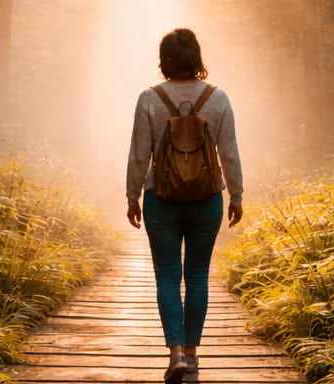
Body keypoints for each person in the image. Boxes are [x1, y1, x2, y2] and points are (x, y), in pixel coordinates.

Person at [125, 28, 243, 384]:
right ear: (196, 55)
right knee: (196, 276)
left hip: (161, 199)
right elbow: (230, 153)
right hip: (207, 199)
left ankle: (174, 351)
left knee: (166, 275)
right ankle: (192, 356)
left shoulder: (149, 98)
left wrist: (133, 196)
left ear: (166, 58)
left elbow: (138, 154)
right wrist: (236, 195)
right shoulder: (218, 98)